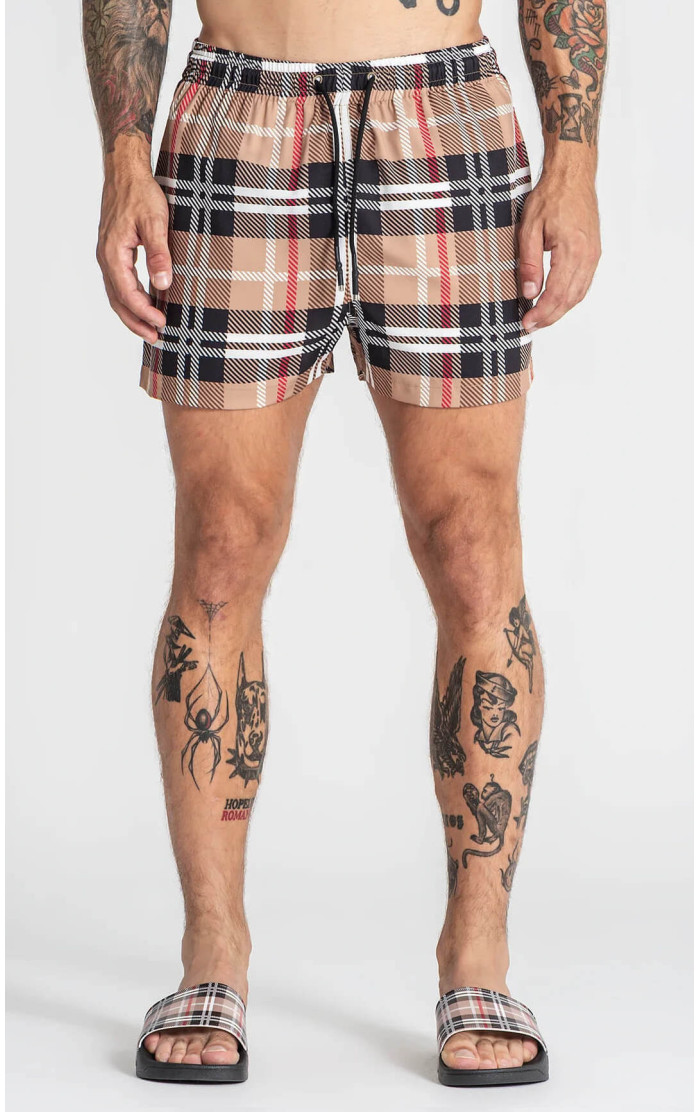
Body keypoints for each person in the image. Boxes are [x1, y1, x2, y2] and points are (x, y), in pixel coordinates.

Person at [83, 0, 605, 1088]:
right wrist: (125, 154)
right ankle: (212, 947)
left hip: (441, 109)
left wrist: (575, 153)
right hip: (240, 112)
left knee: (474, 549)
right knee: (220, 550)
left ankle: (478, 952)